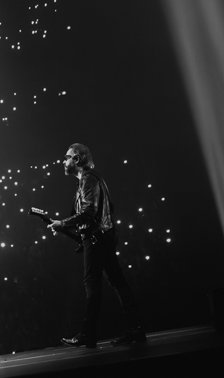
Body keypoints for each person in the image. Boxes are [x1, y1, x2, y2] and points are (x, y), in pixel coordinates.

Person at [47, 143, 145, 348]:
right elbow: (93, 214)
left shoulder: (88, 179)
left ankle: (88, 334)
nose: (63, 161)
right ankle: (134, 329)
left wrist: (63, 223)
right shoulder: (91, 179)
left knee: (92, 284)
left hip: (97, 239)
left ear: (78, 159)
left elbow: (88, 212)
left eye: (67, 157)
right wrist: (65, 227)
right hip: (101, 237)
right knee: (118, 282)